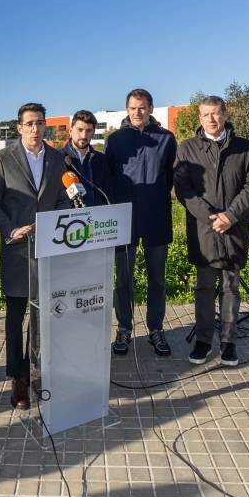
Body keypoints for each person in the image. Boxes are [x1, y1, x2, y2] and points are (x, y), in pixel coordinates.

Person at [0, 102, 70, 410]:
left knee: (42, 316)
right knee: (15, 316)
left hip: (48, 249)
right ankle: (18, 377)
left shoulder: (58, 159)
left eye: (40, 123)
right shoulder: (3, 159)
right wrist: (11, 229)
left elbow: (64, 199)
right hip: (18, 250)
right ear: (19, 127)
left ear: (46, 126)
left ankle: (36, 371)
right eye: (30, 123)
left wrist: (53, 223)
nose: (36, 128)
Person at [173, 96, 249, 367]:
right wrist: (211, 217)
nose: (211, 119)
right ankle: (203, 341)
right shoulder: (187, 148)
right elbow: (183, 188)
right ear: (199, 118)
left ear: (225, 114)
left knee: (231, 287)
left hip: (235, 229)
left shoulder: (244, 148)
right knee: (204, 287)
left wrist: (231, 216)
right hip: (204, 230)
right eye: (205, 114)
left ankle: (228, 342)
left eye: (216, 113)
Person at [105, 88, 177, 356]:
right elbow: (109, 178)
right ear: (127, 109)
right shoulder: (114, 140)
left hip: (157, 216)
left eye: (143, 107)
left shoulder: (167, 139)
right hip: (125, 219)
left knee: (157, 280)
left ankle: (156, 330)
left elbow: (170, 177)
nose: (138, 112)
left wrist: (155, 196)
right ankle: (124, 329)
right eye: (133, 107)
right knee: (123, 280)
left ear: (151, 109)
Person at [58, 109, 112, 207]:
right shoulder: (58, 158)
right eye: (80, 130)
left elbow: (107, 192)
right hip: (69, 219)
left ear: (93, 133)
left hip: (97, 218)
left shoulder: (102, 160)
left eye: (88, 131)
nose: (84, 135)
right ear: (70, 131)